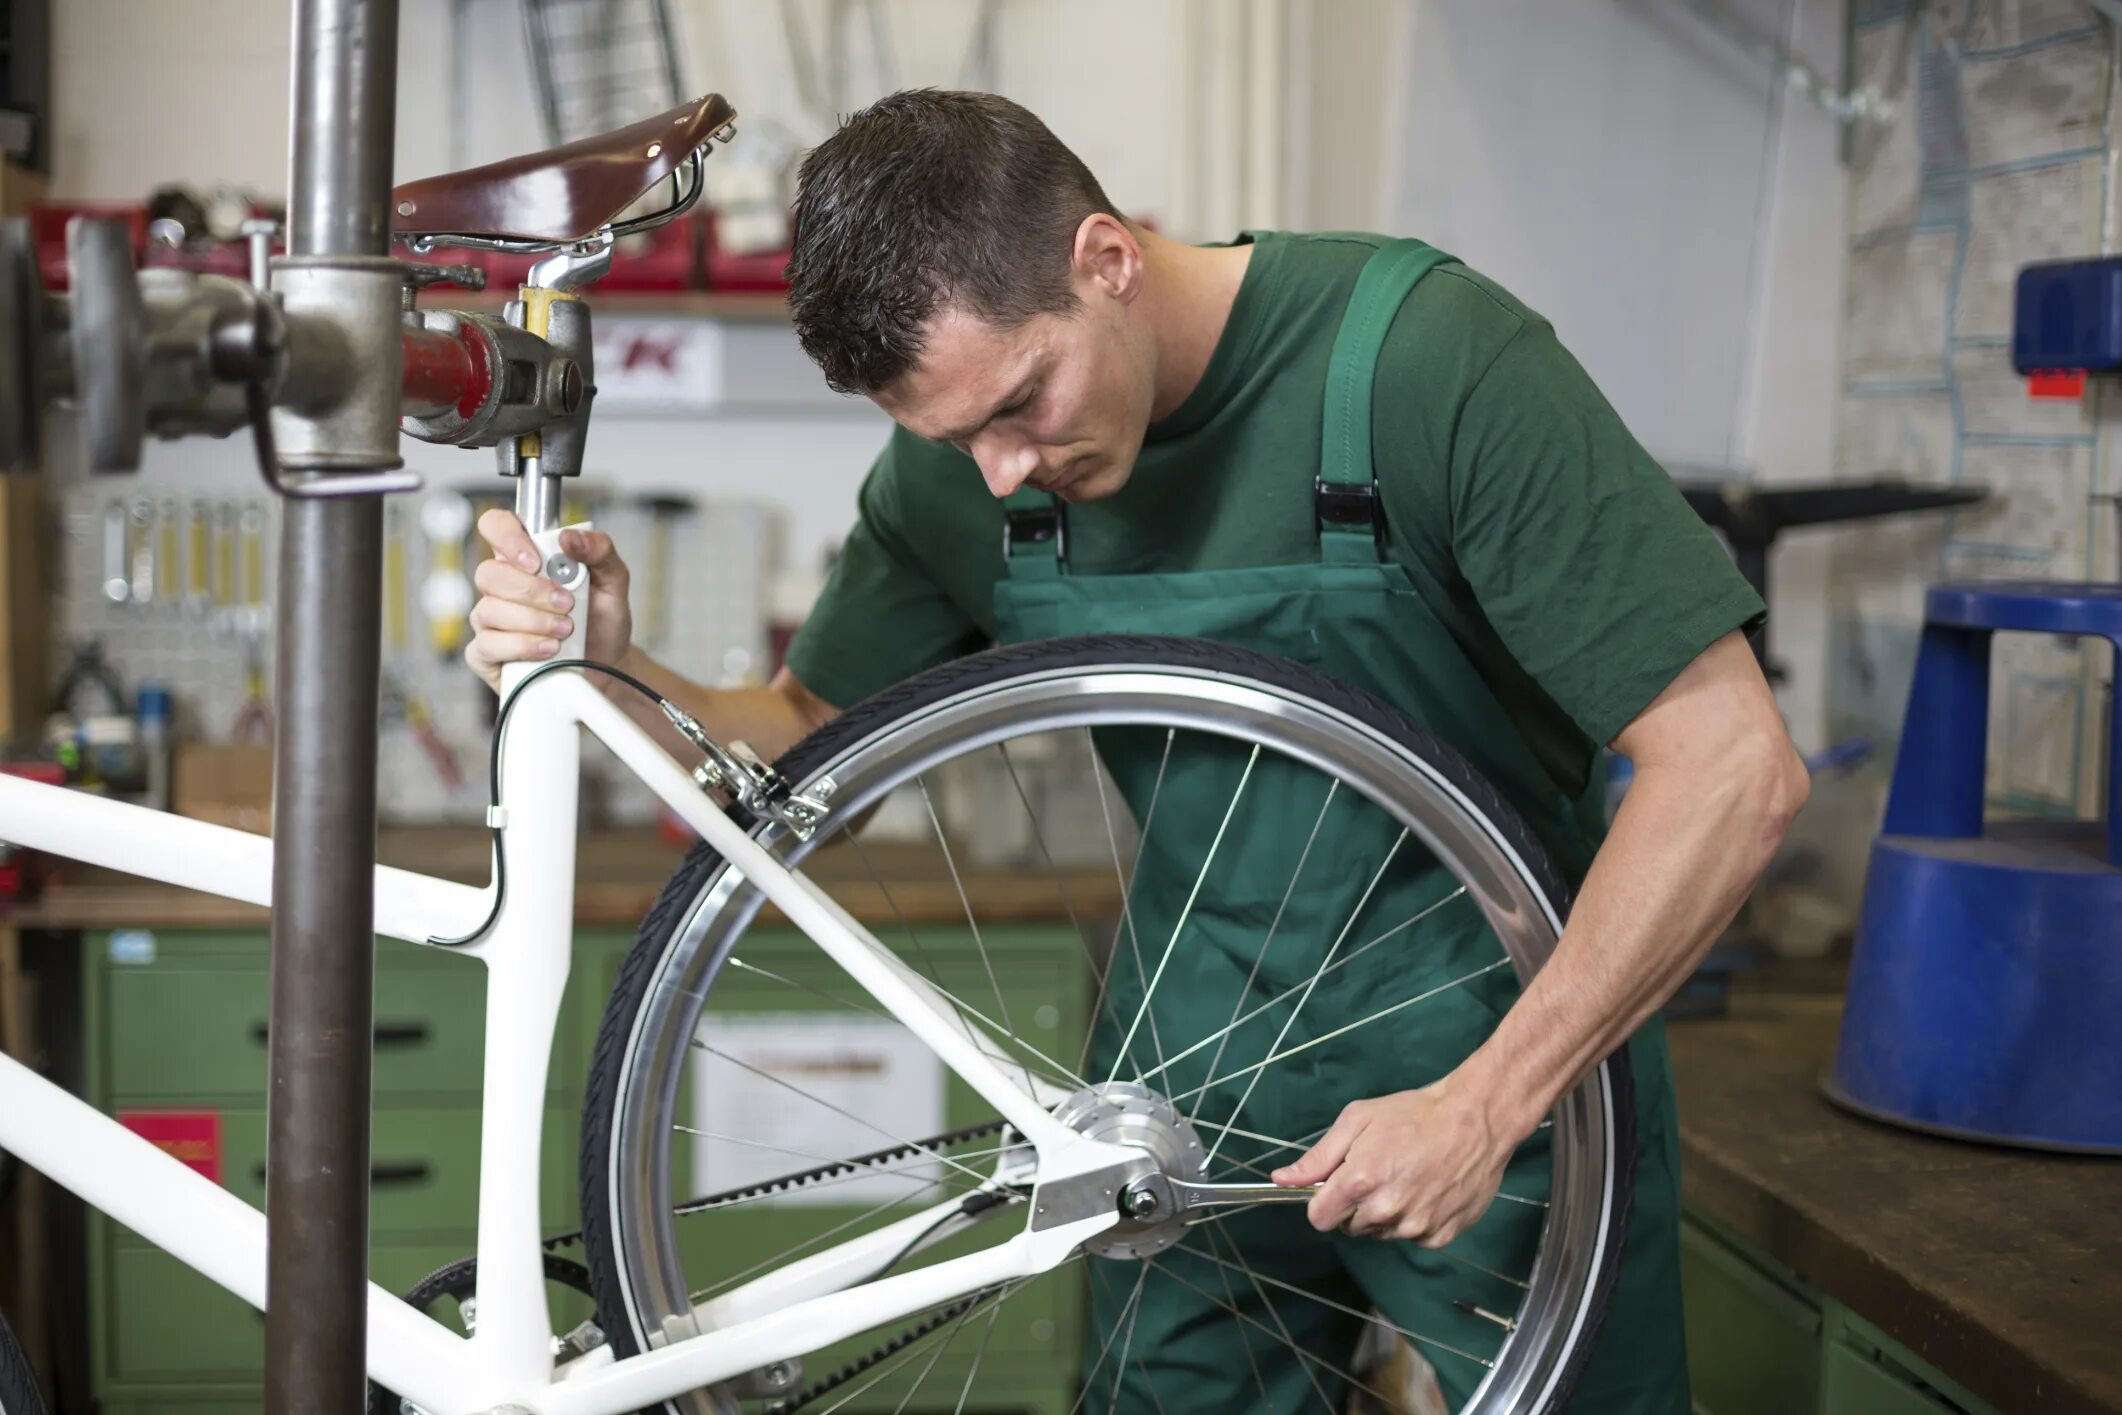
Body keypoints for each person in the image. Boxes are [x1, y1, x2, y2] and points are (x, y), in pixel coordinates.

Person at [466, 90, 1808, 1413]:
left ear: (1104, 260)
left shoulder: (1425, 369)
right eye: (952, 441)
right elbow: (810, 756)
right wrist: (618, 671)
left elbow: (1731, 768)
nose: (995, 474)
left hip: (1495, 1046)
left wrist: (1489, 1099)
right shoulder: (968, 464)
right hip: (1180, 1075)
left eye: (1020, 405)